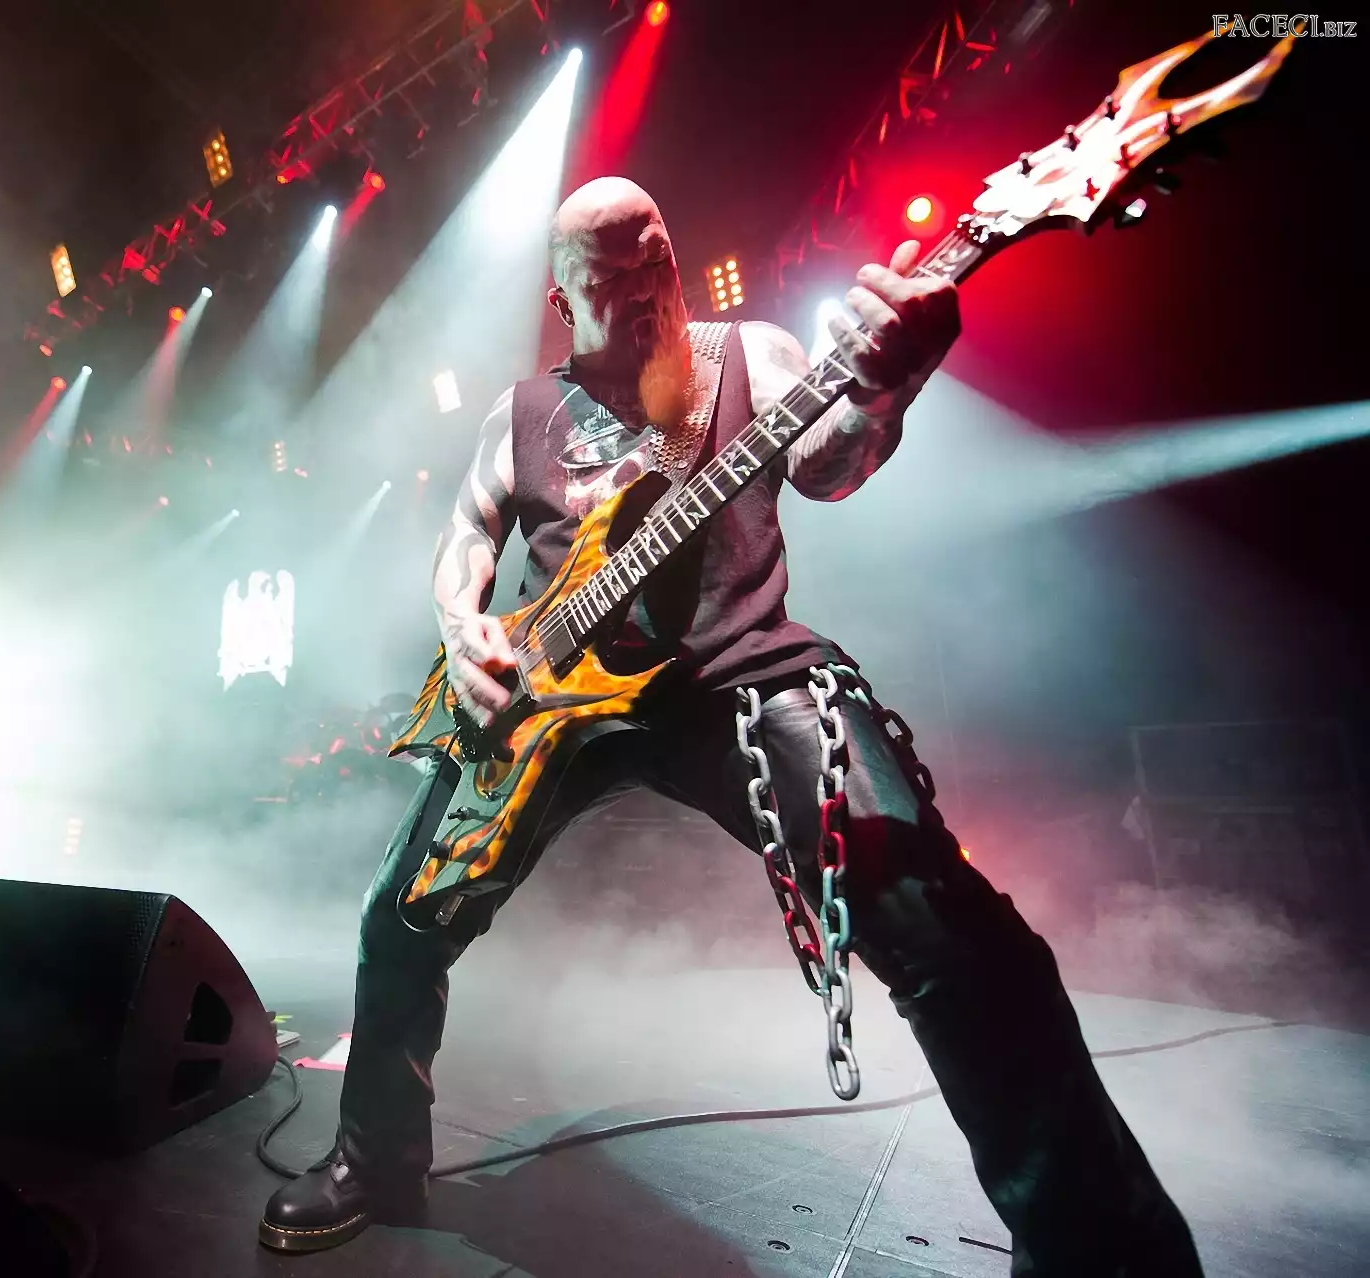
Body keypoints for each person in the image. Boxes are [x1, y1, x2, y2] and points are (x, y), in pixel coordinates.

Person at [259, 177, 1201, 1276]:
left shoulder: (749, 355)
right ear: (563, 301)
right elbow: (468, 531)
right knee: (399, 918)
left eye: (654, 259)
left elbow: (829, 465)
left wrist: (886, 391)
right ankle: (374, 1159)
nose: (642, 289)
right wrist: (462, 626)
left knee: (951, 933)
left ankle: (1101, 1252)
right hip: (549, 704)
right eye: (609, 279)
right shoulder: (519, 414)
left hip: (737, 675)